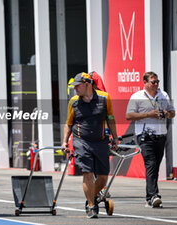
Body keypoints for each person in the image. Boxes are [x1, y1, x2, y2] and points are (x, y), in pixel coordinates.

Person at [61, 72, 118, 218]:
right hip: (81, 141)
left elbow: (110, 119)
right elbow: (68, 124)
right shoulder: (73, 101)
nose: (75, 89)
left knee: (103, 177)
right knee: (88, 173)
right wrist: (64, 142)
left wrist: (115, 138)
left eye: (77, 86)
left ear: (87, 84)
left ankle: (90, 199)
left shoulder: (105, 98)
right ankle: (92, 206)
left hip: (101, 141)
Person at [126, 71, 175, 208]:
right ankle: (154, 195)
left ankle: (149, 197)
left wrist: (166, 114)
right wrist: (149, 114)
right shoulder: (137, 96)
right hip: (145, 136)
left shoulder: (163, 95)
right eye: (153, 82)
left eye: (157, 82)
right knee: (151, 164)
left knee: (155, 166)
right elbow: (128, 116)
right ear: (145, 83)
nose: (156, 84)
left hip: (161, 136)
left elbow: (173, 113)